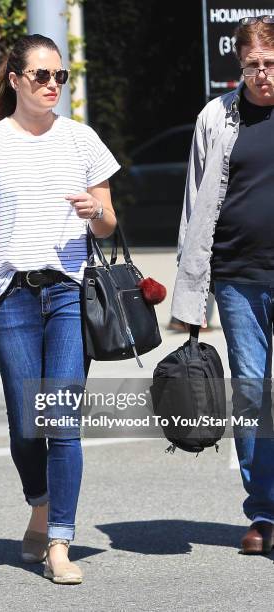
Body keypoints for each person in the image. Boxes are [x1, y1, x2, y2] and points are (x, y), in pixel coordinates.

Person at [0, 34, 120, 583]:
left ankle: (61, 543)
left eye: (59, 78)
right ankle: (40, 507)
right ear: (16, 80)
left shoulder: (82, 141)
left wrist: (96, 209)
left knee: (62, 422)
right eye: (42, 76)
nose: (52, 86)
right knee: (28, 426)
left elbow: (109, 223)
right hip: (11, 297)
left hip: (69, 292)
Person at [171, 16, 274, 555]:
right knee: (254, 394)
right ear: (240, 65)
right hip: (237, 278)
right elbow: (194, 204)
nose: (263, 75)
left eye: (271, 64)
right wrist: (191, 296)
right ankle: (264, 513)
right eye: (253, 64)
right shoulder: (217, 117)